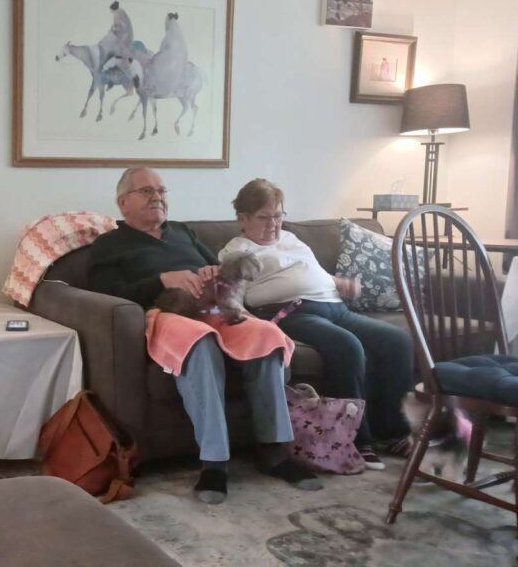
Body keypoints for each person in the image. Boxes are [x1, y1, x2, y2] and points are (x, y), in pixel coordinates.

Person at [88, 167, 322, 505]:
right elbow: (104, 293)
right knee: (199, 341)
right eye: (147, 191)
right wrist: (161, 280)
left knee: (265, 334)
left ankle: (274, 451)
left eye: (162, 191)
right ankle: (214, 463)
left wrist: (213, 273)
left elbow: (218, 268)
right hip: (165, 313)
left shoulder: (183, 231)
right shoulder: (109, 245)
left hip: (213, 309)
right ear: (123, 203)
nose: (157, 197)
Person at [219, 178, 414, 469]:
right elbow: (232, 297)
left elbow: (313, 272)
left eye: (278, 215)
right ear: (242, 218)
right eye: (264, 217)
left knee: (398, 341)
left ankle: (393, 433)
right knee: (347, 346)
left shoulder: (292, 239)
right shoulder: (236, 252)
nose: (273, 224)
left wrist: (340, 283)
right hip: (293, 313)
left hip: (336, 307)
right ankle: (357, 439)